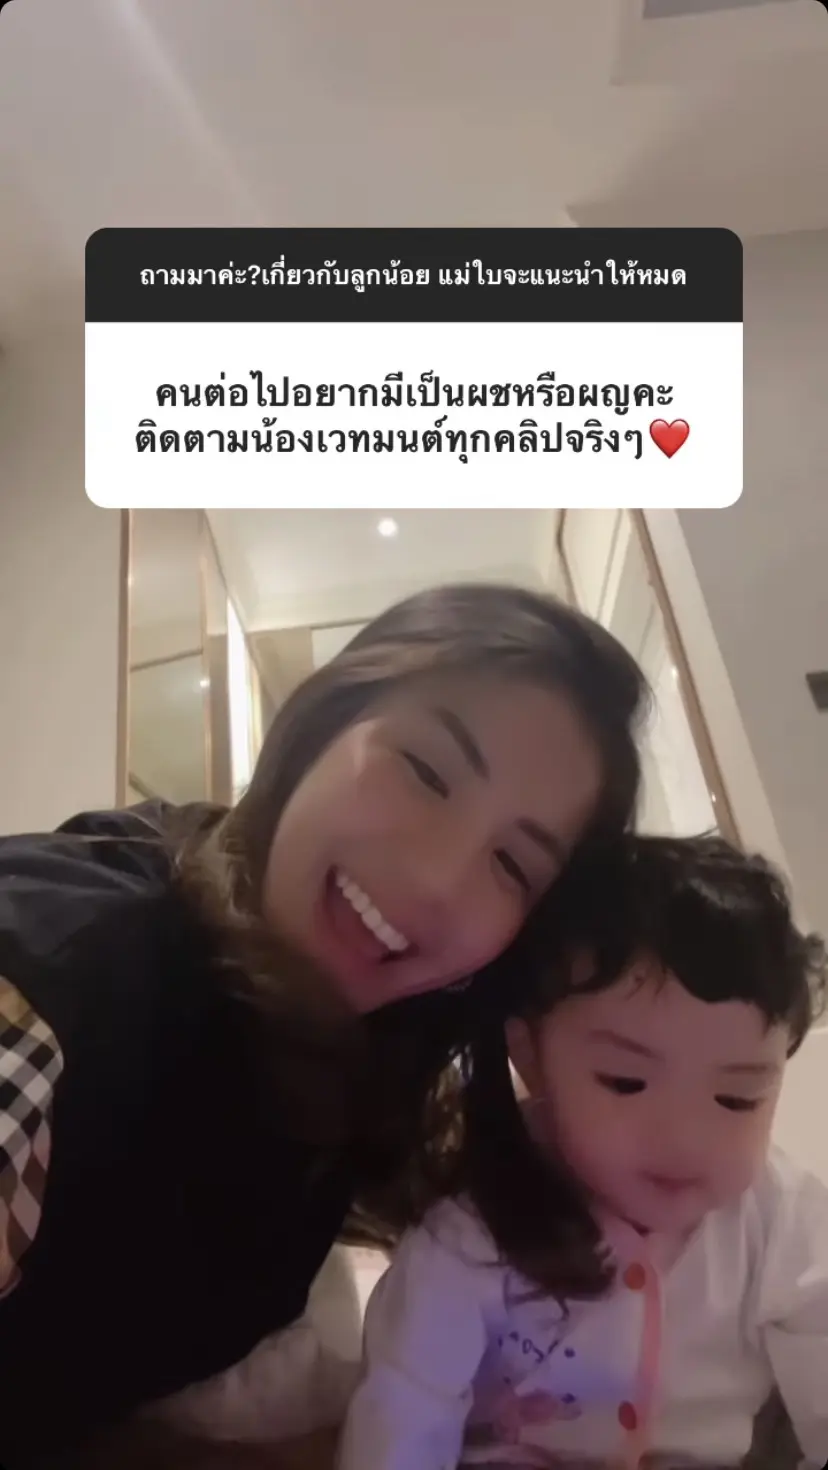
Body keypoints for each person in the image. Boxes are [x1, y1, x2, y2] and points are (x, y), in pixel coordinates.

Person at [0, 582, 646, 1463]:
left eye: (511, 865)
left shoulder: (366, 1053)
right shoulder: (68, 975)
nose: (434, 880)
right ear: (320, 722)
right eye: (426, 772)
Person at [338, 834, 828, 1470]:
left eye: (738, 1098)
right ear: (531, 1056)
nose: (685, 1138)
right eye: (625, 1082)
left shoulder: (781, 1220)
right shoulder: (473, 1233)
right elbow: (404, 1411)